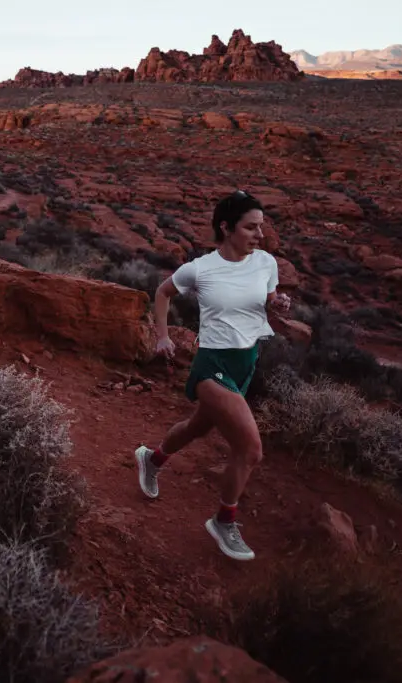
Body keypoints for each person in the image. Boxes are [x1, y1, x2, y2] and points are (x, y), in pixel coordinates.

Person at [134, 189, 291, 562]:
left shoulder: (266, 262)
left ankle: (151, 459)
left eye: (261, 227)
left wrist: (278, 302)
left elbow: (268, 299)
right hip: (212, 363)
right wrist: (162, 337)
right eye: (251, 227)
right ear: (226, 227)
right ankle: (224, 521)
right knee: (250, 449)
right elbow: (162, 292)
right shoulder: (200, 269)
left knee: (196, 427)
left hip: (246, 360)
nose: (260, 235)